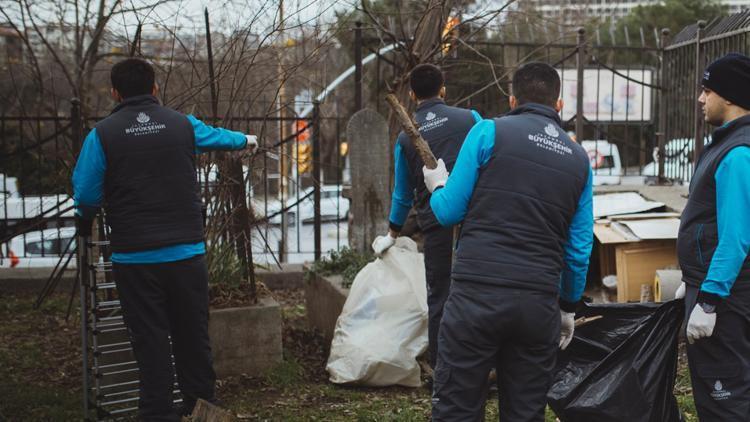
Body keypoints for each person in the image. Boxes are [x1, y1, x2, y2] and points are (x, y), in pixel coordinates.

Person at [72, 58, 257, 420]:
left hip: (135, 260)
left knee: (150, 342)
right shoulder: (182, 125)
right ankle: (201, 408)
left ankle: (157, 413)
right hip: (186, 255)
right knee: (193, 337)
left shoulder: (102, 135)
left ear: (114, 92)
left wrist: (84, 222)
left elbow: (87, 195)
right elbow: (219, 137)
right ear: (155, 87)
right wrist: (246, 140)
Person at [421, 62, 593, 421]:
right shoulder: (579, 160)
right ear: (558, 106)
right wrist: (568, 306)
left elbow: (449, 211)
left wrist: (437, 184)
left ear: (513, 99)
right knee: (526, 411)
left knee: (457, 408)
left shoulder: (488, 133)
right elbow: (578, 249)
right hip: (537, 306)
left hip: (475, 300)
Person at [371, 63, 481, 369]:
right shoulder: (471, 119)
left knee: (440, 296)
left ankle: (441, 366)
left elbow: (402, 194)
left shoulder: (406, 137)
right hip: (473, 220)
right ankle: (478, 363)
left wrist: (392, 233)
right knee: (477, 289)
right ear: (443, 90)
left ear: (411, 93)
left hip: (435, 224)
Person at [673, 53, 750, 421]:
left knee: (726, 403)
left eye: (707, 90)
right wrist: (691, 280)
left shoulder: (737, 153)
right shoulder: (726, 144)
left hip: (727, 304)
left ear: (731, 96)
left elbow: (735, 236)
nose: (701, 98)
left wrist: (708, 300)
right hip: (714, 290)